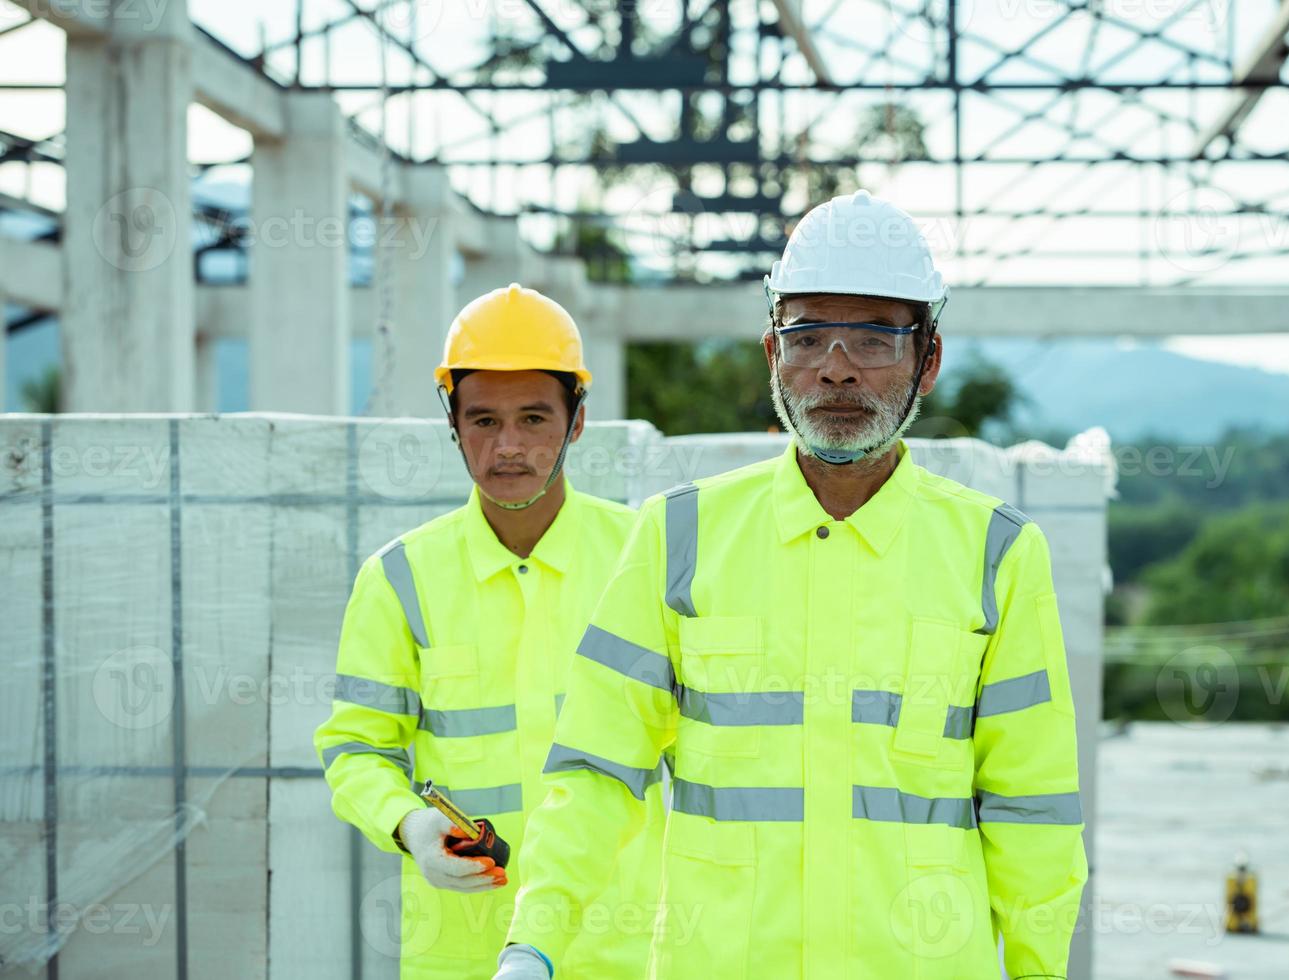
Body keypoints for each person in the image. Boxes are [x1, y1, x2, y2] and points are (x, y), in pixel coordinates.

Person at [493, 191, 1087, 979]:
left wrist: (1039, 970)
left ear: (929, 360)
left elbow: (1032, 809)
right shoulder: (679, 536)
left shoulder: (997, 554)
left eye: (874, 338)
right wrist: (534, 941)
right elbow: (597, 771)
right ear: (774, 355)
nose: (837, 367)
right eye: (810, 336)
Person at [314, 283, 665, 978]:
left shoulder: (644, 561)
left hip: (619, 948)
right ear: (453, 422)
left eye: (534, 418)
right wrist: (408, 823)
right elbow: (355, 748)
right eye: (483, 421)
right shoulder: (399, 578)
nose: (507, 447)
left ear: (578, 421)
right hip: (463, 951)